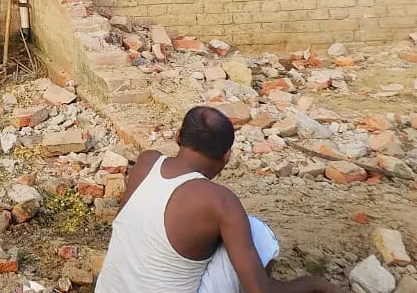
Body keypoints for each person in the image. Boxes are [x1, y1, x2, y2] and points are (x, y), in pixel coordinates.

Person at [97, 106, 343, 293]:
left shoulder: (147, 161)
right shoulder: (221, 202)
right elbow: (260, 291)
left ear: (178, 137)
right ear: (226, 156)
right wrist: (314, 284)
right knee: (256, 233)